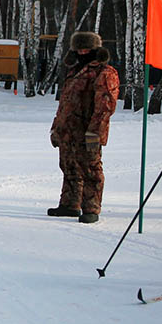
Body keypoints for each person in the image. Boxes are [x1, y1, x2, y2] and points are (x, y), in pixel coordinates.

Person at [48, 32, 119, 223]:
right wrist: (56, 127)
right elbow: (65, 103)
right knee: (69, 167)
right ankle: (70, 205)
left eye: (86, 48)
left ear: (95, 50)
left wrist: (95, 132)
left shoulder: (104, 73)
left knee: (91, 170)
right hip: (68, 131)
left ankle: (91, 208)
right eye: (79, 49)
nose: (82, 52)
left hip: (88, 131)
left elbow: (105, 106)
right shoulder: (73, 71)